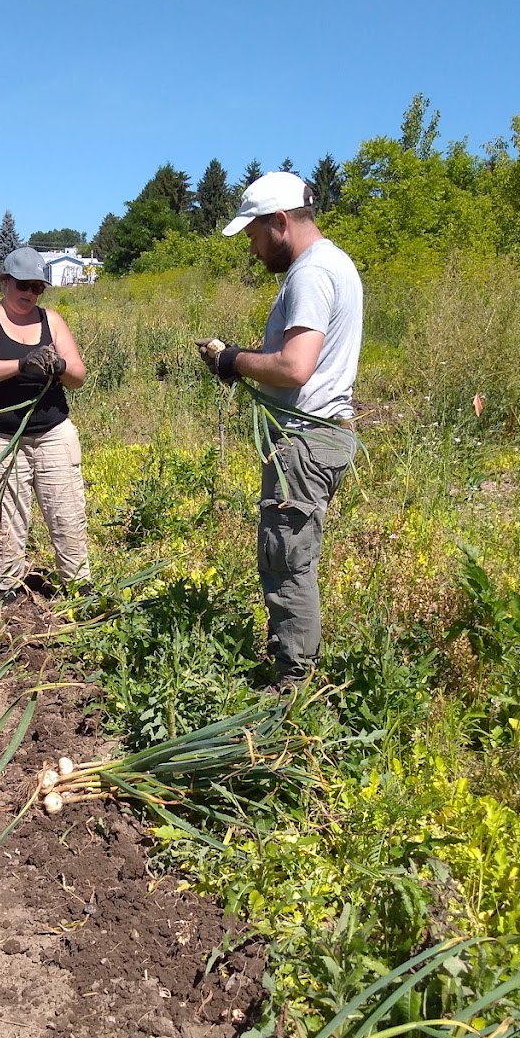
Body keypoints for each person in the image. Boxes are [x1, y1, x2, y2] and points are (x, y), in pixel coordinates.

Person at [197, 171, 363, 689]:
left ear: (281, 221)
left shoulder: (312, 274)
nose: (251, 247)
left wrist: (234, 360)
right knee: (293, 558)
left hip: (305, 442)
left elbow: (295, 367)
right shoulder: (335, 263)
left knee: (286, 562)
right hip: (319, 435)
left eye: (253, 234)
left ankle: (292, 686)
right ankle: (296, 668)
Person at [0, 246, 91, 601]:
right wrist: (21, 365)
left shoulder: (52, 321)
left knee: (65, 509)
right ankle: (7, 585)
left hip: (52, 431)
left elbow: (78, 375)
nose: (29, 293)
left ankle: (78, 583)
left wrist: (59, 367)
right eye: (23, 285)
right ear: (5, 282)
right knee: (7, 514)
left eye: (37, 287)